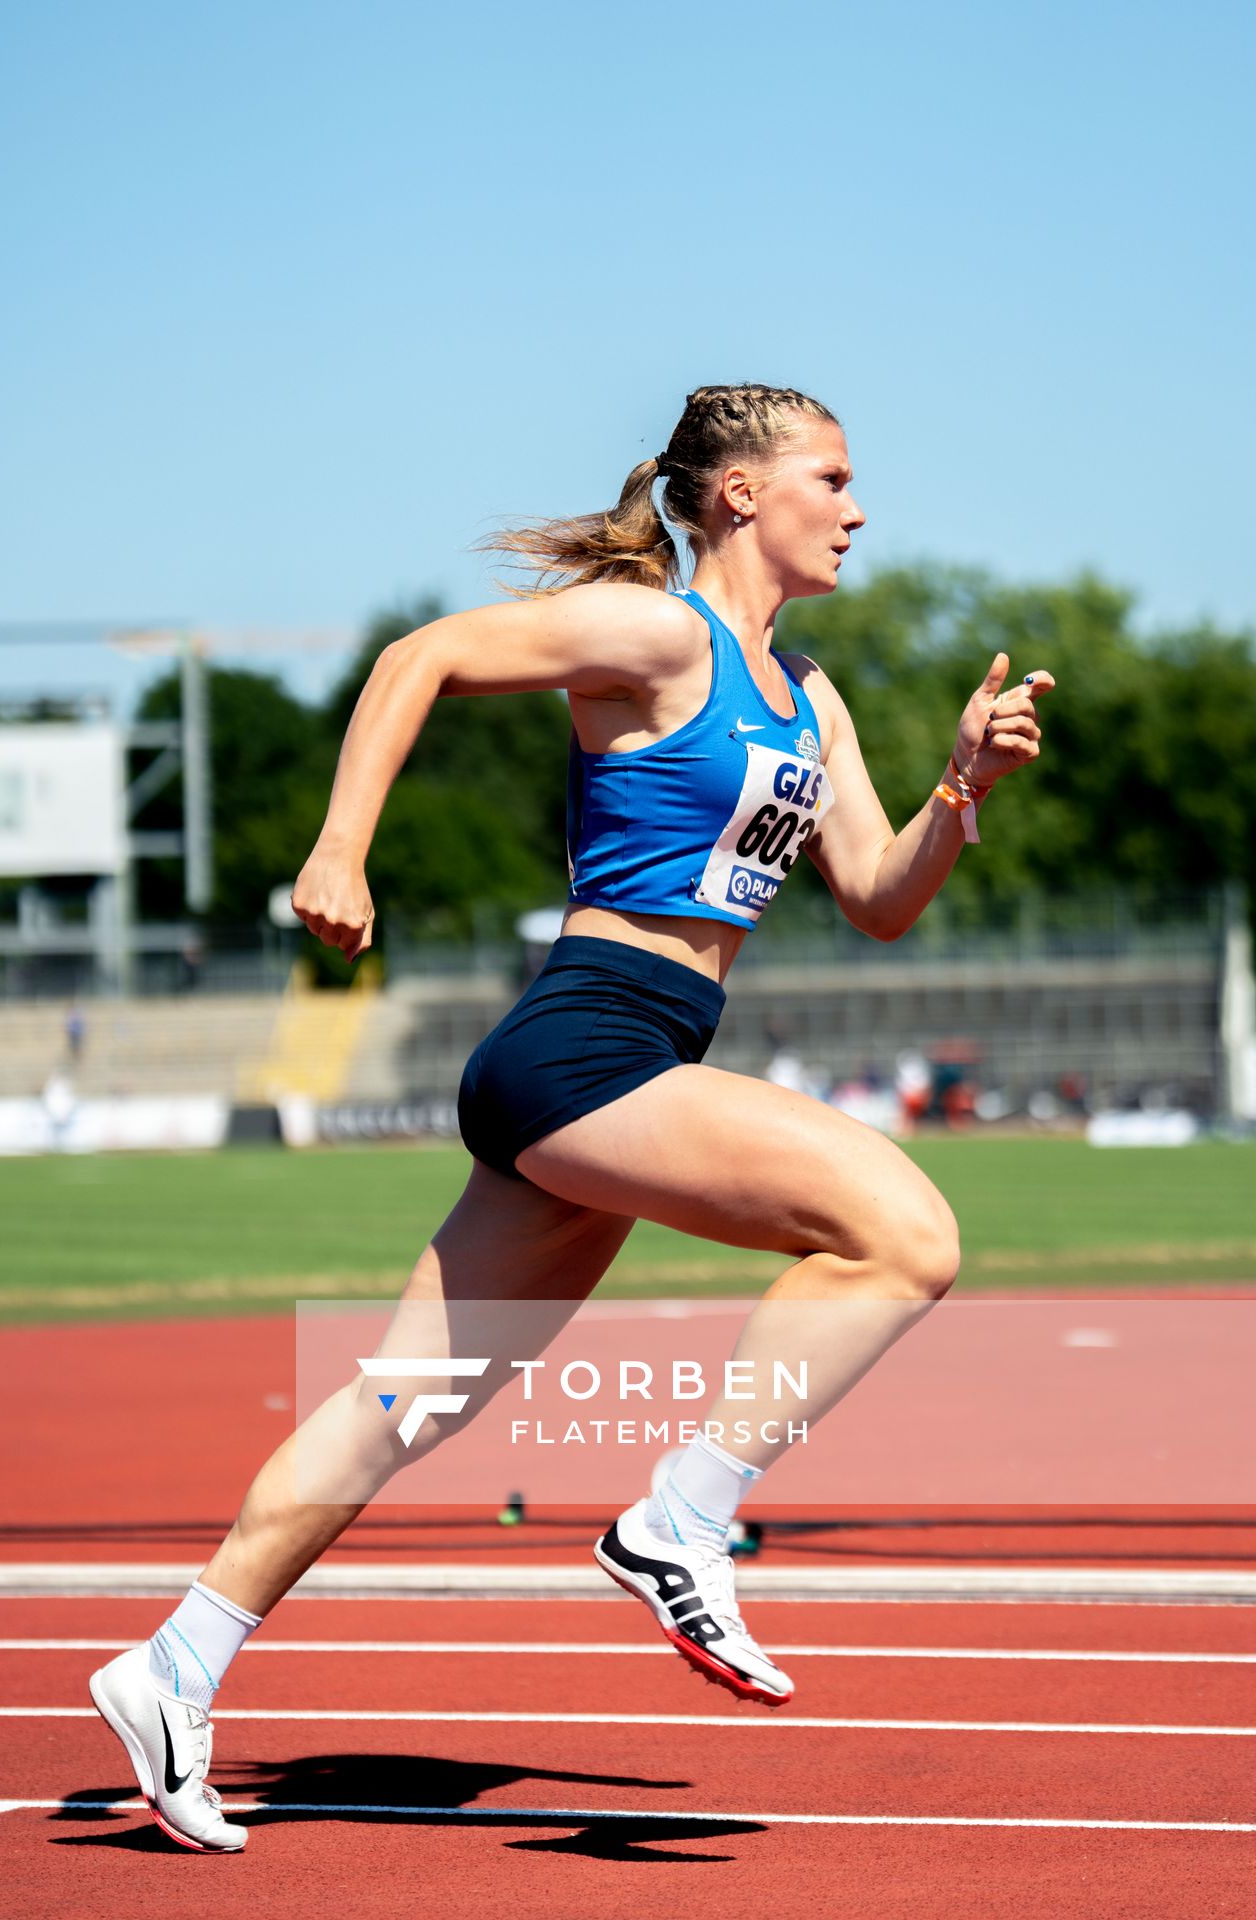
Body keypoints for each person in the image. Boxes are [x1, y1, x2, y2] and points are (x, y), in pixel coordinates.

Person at [88, 382, 1054, 1851]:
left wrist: (960, 787)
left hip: (641, 1048)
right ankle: (680, 1517)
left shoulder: (815, 695)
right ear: (740, 495)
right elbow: (421, 657)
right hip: (586, 1043)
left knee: (408, 1402)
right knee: (905, 1232)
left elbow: (880, 902)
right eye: (835, 478)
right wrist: (340, 847)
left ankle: (176, 1664)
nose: (859, 509)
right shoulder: (659, 636)